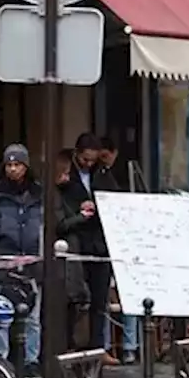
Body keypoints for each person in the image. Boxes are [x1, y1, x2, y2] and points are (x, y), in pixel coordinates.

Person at [0, 143, 42, 376]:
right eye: (9, 165)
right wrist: (0, 231)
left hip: (31, 261)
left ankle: (31, 361)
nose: (13, 170)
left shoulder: (38, 193)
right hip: (3, 261)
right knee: (0, 313)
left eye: (18, 165)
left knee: (32, 316)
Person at [59, 132, 119, 357]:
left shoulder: (103, 174)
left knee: (99, 299)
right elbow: (59, 208)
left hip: (99, 243)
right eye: (85, 159)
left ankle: (97, 347)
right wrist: (79, 211)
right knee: (74, 297)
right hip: (76, 242)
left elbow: (114, 201)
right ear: (76, 154)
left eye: (93, 160)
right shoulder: (65, 174)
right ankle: (71, 345)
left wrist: (98, 206)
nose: (89, 164)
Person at [96, 135, 139, 363]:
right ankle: (119, 347)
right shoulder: (102, 174)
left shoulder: (121, 174)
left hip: (121, 241)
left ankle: (129, 346)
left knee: (128, 295)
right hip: (107, 243)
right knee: (108, 297)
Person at [52, 148, 92, 351]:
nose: (67, 177)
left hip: (71, 251)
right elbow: (60, 224)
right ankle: (67, 345)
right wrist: (81, 217)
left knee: (75, 299)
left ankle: (70, 345)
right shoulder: (53, 195)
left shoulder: (65, 192)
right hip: (64, 254)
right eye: (64, 173)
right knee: (68, 300)